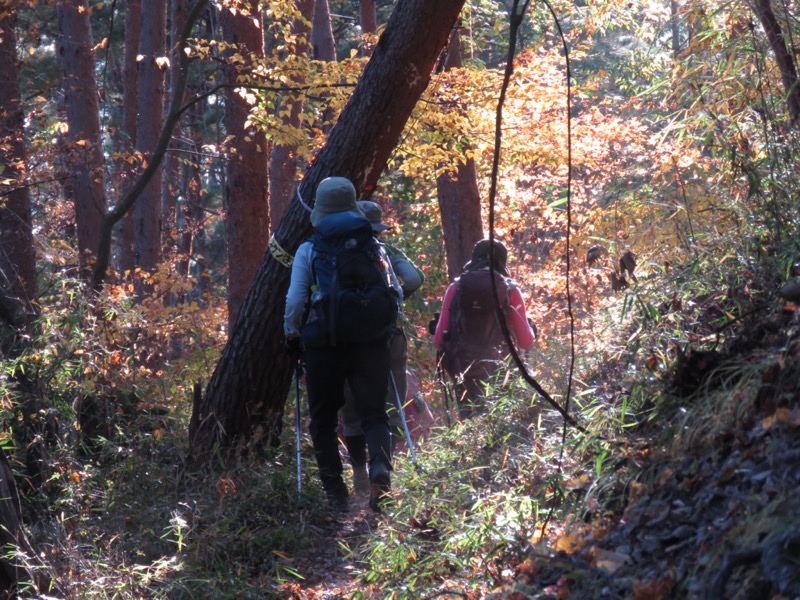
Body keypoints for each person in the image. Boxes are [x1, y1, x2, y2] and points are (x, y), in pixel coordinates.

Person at [283, 178, 401, 513]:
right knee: (374, 414)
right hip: (370, 341)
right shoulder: (372, 245)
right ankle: (380, 472)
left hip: (324, 345)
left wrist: (292, 335)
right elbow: (394, 291)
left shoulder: (310, 248)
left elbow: (294, 301)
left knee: (322, 419)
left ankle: (337, 496)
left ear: (320, 209)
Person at [339, 200, 425, 494]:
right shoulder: (386, 250)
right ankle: (388, 466)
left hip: (348, 336)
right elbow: (415, 278)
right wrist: (395, 302)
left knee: (350, 404)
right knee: (391, 402)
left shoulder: (336, 250)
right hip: (390, 332)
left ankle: (360, 474)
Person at [433, 238, 536, 418]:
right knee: (499, 429)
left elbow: (439, 340)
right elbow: (526, 342)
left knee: (469, 424)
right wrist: (532, 330)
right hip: (500, 372)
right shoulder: (510, 290)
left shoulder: (456, 288)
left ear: (474, 259)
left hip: (463, 371)